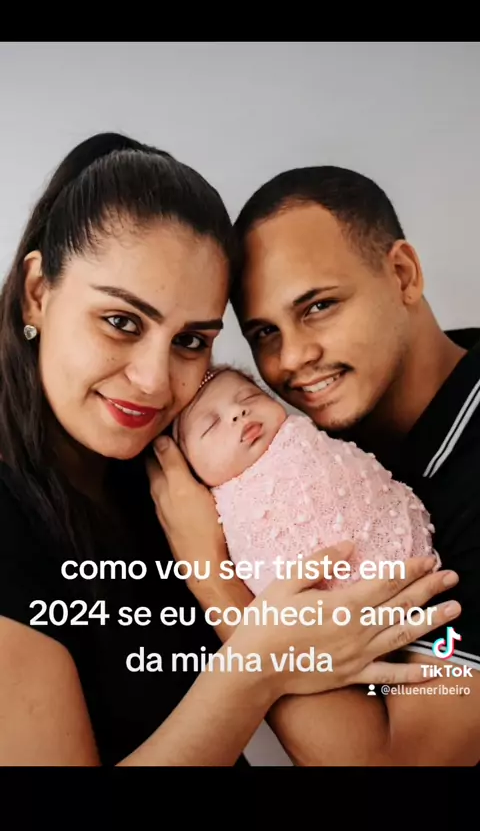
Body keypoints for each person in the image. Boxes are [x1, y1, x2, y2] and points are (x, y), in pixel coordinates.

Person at [0, 136, 458, 767]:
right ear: (37, 292)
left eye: (191, 340)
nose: (154, 381)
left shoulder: (189, 479)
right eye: (122, 322)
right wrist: (255, 653)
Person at [175, 163, 477, 766]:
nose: (292, 359)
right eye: (264, 332)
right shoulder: (311, 456)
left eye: (317, 306)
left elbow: (403, 767)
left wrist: (212, 573)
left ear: (403, 274)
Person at [173, 363, 440, 596]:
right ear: (189, 467)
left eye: (249, 397)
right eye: (211, 425)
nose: (238, 411)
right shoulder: (213, 513)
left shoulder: (303, 438)